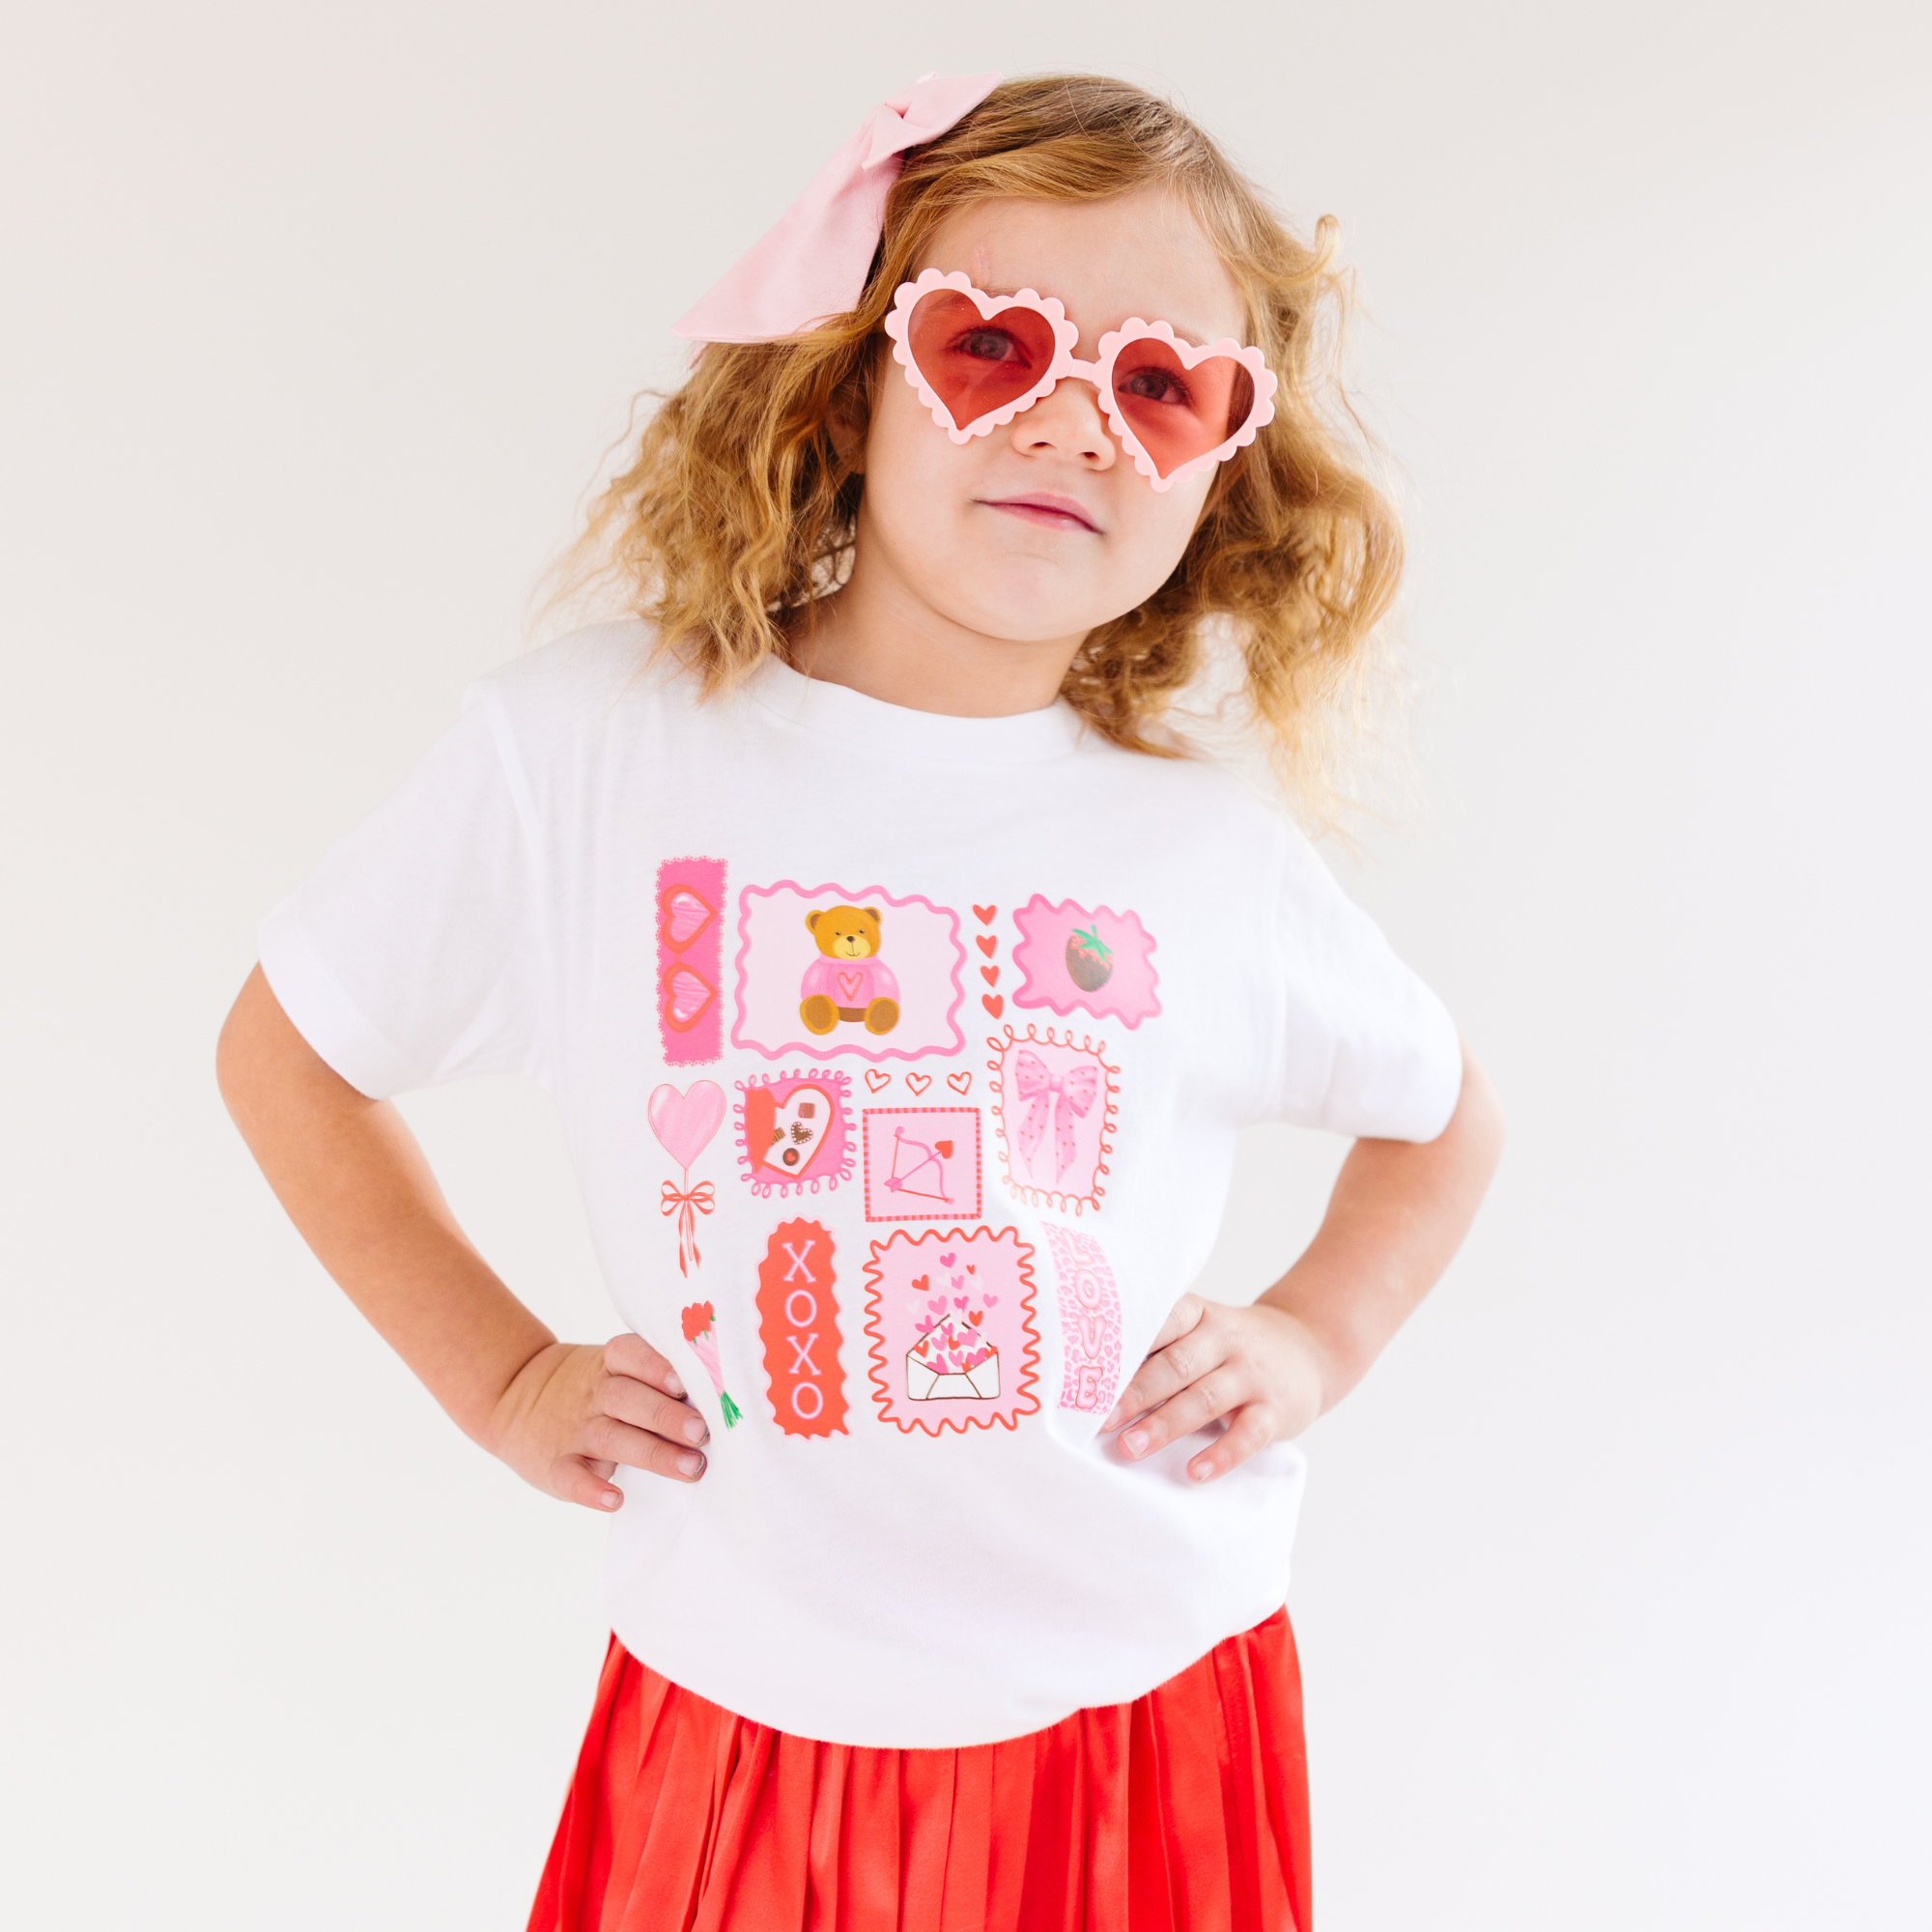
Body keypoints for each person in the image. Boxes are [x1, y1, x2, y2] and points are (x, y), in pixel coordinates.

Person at [217, 71, 1504, 1932]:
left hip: (1147, 1713)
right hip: (742, 1706)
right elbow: (291, 1053)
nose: (1073, 418)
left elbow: (1445, 1119)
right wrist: (499, 1377)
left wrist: (1311, 1340)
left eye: (1161, 384)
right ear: (849, 379)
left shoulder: (1209, 856)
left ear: (1226, 469)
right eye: (994, 344)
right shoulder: (594, 756)